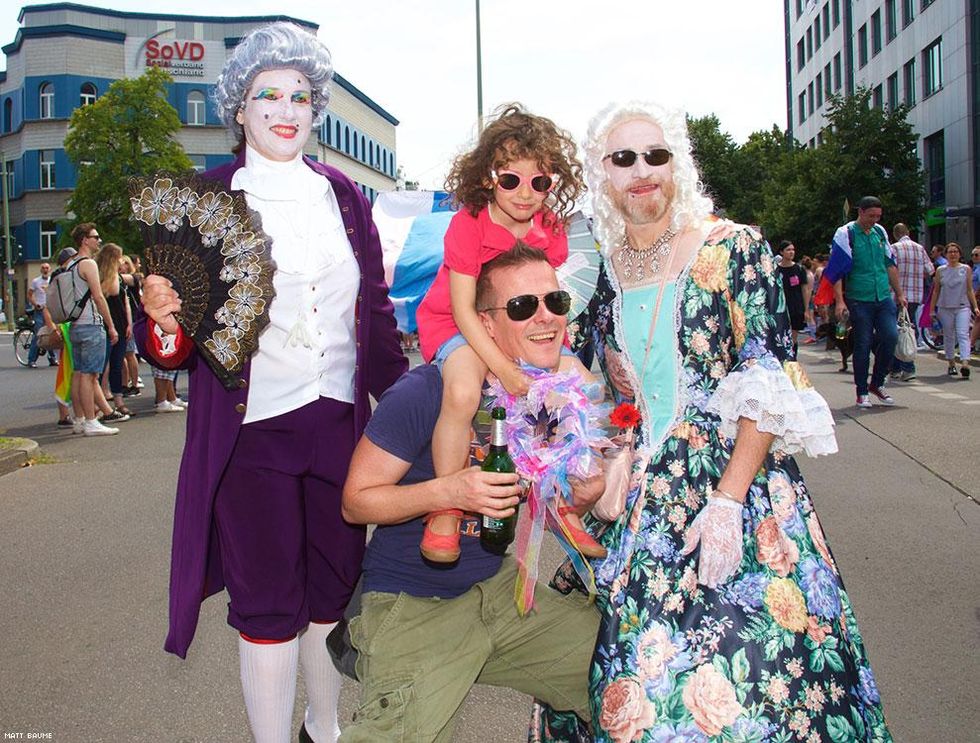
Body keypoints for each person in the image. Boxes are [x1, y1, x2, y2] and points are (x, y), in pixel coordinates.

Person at [532, 101, 892, 742]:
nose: (641, 171)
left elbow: (767, 380)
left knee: (755, 673)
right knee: (630, 682)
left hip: (732, 485)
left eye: (656, 155)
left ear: (678, 165)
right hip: (636, 498)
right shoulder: (600, 277)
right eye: (623, 158)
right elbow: (574, 375)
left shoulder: (733, 248)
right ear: (602, 174)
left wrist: (728, 501)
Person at [136, 22, 406, 743]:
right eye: (268, 95)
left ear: (315, 110)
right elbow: (171, 343)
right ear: (241, 108)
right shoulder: (205, 198)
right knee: (266, 604)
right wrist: (162, 319)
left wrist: (420, 405)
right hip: (251, 435)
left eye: (300, 96)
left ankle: (325, 726)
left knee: (331, 591)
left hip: (339, 429)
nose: (286, 109)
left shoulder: (345, 195)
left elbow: (374, 320)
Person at [340, 244, 604, 742]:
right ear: (484, 323)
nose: (545, 318)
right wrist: (447, 490)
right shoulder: (427, 391)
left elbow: (560, 498)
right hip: (413, 605)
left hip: (502, 591)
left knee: (626, 674)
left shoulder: (549, 397)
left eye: (556, 301)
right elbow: (356, 502)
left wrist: (585, 490)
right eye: (524, 307)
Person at [413, 103, 596, 563]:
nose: (525, 192)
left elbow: (545, 297)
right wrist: (502, 369)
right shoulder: (468, 224)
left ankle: (562, 501)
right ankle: (447, 507)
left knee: (576, 390)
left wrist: (557, 354)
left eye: (540, 182)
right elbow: (461, 306)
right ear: (486, 177)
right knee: (461, 392)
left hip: (514, 320)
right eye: (510, 179)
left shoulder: (550, 228)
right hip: (459, 322)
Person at [823, 196, 907, 408]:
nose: (874, 220)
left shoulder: (880, 232)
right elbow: (837, 270)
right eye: (871, 216)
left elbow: (889, 264)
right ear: (860, 212)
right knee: (863, 342)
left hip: (882, 295)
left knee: (890, 336)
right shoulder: (846, 233)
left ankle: (876, 383)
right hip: (859, 297)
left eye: (878, 216)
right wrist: (840, 301)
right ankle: (862, 391)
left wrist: (899, 293)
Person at [67, 223, 121, 436]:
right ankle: (91, 420)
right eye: (95, 237)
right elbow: (98, 296)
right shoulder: (88, 264)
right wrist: (110, 325)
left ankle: (79, 419)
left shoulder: (70, 264)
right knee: (90, 376)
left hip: (75, 325)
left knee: (79, 373)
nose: (98, 240)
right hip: (91, 324)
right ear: (84, 240)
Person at [889, 223, 933, 381]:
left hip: (896, 295)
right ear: (908, 231)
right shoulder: (920, 248)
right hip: (914, 296)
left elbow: (887, 269)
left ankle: (904, 367)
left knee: (896, 332)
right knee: (907, 329)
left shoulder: (893, 248)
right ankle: (898, 367)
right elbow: (930, 270)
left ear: (895, 234)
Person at [929, 242, 978, 378]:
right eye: (950, 252)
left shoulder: (966, 269)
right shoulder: (941, 270)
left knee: (963, 334)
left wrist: (975, 307)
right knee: (949, 335)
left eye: (955, 252)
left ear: (960, 254)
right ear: (946, 254)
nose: (953, 254)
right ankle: (951, 363)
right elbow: (936, 291)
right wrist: (932, 310)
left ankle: (965, 363)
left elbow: (969, 290)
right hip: (945, 307)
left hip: (962, 306)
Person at [95, 243, 133, 421]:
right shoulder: (102, 278)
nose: (121, 261)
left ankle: (118, 401)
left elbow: (125, 302)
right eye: (118, 257)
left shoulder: (119, 278)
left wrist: (129, 324)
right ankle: (100, 405)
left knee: (117, 365)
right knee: (103, 366)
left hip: (121, 324)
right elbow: (106, 294)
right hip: (106, 325)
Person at [775, 241, 810, 349]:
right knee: (781, 334)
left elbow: (805, 289)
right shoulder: (776, 269)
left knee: (793, 334)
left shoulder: (799, 269)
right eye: (788, 250)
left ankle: (793, 358)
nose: (791, 252)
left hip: (796, 305)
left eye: (793, 250)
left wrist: (806, 309)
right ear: (781, 252)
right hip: (781, 304)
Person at [26, 261, 57, 367]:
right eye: (43, 268)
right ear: (41, 270)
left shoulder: (52, 281)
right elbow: (30, 295)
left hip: (50, 311)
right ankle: (31, 360)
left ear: (49, 270)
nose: (45, 270)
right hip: (40, 311)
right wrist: (35, 304)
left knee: (52, 333)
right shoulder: (36, 281)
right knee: (38, 335)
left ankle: (52, 358)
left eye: (47, 268)